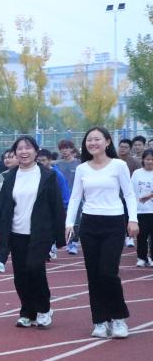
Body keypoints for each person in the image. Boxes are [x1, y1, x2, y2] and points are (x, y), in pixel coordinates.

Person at [0, 136, 66, 328]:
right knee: (20, 275)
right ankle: (27, 312)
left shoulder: (47, 176)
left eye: (28, 148)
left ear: (36, 151)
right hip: (16, 232)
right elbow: (1, 207)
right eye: (19, 149)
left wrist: (59, 235)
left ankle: (44, 309)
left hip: (40, 232)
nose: (23, 152)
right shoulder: (10, 177)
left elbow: (56, 206)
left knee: (35, 269)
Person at [66, 127, 139, 339]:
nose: (93, 143)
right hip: (89, 223)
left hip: (114, 222)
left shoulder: (118, 165)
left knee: (108, 272)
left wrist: (133, 219)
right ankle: (99, 320)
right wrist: (69, 223)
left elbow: (129, 194)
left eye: (97, 139)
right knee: (93, 274)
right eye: (89, 140)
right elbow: (75, 197)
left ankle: (118, 318)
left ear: (107, 142)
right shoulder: (82, 169)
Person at [0, 149, 19, 273]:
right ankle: (0, 261)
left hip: (23, 212)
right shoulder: (2, 176)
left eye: (11, 157)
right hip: (6, 211)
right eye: (5, 157)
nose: (7, 159)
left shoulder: (25, 174)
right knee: (4, 237)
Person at [56, 139, 82, 255]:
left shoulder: (79, 164)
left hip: (76, 198)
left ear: (72, 149)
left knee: (75, 221)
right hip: (61, 198)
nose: (64, 151)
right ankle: (58, 242)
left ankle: (73, 242)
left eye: (67, 148)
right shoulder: (57, 165)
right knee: (61, 221)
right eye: (62, 148)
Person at [133, 149, 153, 267]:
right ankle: (141, 257)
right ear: (143, 160)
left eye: (152, 159)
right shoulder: (137, 173)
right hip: (140, 210)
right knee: (141, 236)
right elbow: (131, 190)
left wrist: (149, 196)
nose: (150, 161)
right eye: (147, 159)